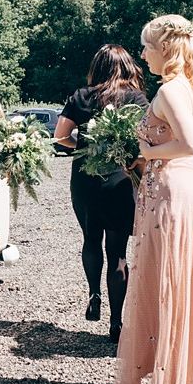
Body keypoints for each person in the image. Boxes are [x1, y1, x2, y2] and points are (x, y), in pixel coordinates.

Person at [113, 15, 193, 384]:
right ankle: (175, 373)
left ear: (164, 49)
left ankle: (171, 381)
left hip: (172, 189)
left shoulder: (171, 91)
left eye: (147, 47)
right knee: (176, 278)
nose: (143, 55)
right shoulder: (189, 89)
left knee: (170, 280)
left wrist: (146, 152)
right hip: (181, 186)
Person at [54, 44, 148, 343]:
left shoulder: (82, 96)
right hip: (120, 179)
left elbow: (60, 137)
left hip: (85, 179)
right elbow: (145, 140)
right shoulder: (136, 99)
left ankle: (94, 293)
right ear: (127, 67)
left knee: (91, 240)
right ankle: (117, 321)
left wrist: (84, 148)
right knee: (117, 252)